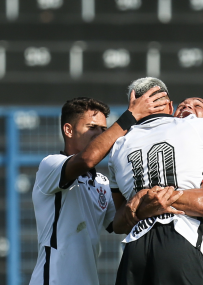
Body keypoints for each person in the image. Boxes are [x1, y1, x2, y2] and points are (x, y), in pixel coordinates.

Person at [109, 78, 203, 285]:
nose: (187, 107)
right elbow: (118, 221)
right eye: (182, 105)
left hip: (188, 255)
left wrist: (148, 201)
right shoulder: (183, 141)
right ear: (170, 111)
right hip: (164, 251)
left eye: (198, 106)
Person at [29, 89, 170, 285]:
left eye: (103, 129)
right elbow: (87, 159)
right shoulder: (50, 165)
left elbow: (119, 223)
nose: (99, 134)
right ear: (68, 130)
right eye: (92, 127)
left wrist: (146, 202)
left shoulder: (101, 182)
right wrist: (131, 116)